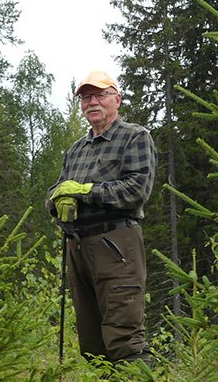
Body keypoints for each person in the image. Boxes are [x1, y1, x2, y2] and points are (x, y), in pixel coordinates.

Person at [47, 70, 157, 364]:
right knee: (92, 342)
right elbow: (56, 190)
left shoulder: (135, 137)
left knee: (124, 337)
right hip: (78, 247)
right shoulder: (75, 149)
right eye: (86, 97)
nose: (92, 102)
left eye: (100, 95)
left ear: (117, 100)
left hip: (116, 243)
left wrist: (86, 192)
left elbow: (137, 190)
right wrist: (57, 200)